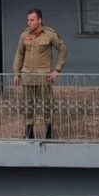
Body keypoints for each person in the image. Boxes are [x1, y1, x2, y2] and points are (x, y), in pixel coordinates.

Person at [13, 8, 67, 139]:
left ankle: (48, 132)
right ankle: (29, 133)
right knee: (28, 105)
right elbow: (19, 54)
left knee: (47, 105)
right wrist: (16, 73)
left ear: (39, 20)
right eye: (28, 20)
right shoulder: (24, 35)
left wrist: (57, 70)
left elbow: (63, 50)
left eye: (32, 20)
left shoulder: (49, 34)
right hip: (28, 76)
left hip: (44, 77)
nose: (29, 22)